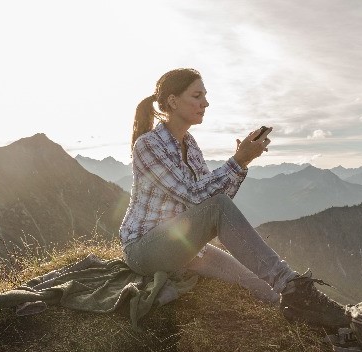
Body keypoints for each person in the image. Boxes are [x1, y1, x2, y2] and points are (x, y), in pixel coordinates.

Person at [119, 68, 348, 329]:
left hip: (184, 247)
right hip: (144, 250)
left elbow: (214, 200)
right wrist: (238, 160)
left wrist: (242, 164)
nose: (205, 103)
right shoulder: (148, 145)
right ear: (172, 101)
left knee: (265, 290)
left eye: (205, 96)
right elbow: (197, 198)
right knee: (273, 277)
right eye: (197, 96)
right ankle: (292, 284)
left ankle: (318, 316)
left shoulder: (190, 145)